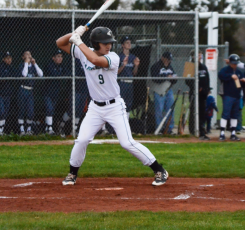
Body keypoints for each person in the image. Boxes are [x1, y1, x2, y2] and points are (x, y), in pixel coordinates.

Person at [56, 25, 168, 186]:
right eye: (105, 42)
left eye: (110, 42)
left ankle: (159, 170)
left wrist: (78, 41)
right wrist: (74, 33)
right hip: (95, 108)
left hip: (114, 107)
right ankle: (72, 174)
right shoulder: (82, 50)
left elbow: (94, 60)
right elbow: (60, 43)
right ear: (95, 43)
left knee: (127, 143)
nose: (109, 45)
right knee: (81, 140)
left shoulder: (113, 57)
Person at [218, 54, 245, 141]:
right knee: (226, 114)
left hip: (237, 96)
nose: (234, 65)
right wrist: (230, 76)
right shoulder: (225, 70)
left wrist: (244, 81)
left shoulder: (239, 72)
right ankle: (222, 133)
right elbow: (221, 75)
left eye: (236, 63)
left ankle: (233, 133)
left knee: (235, 115)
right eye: (233, 63)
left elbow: (244, 84)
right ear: (229, 62)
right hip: (228, 95)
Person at [185, 49, 211, 140]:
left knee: (202, 112)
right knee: (194, 112)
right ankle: (193, 131)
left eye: (200, 55)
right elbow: (187, 81)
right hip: (194, 93)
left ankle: (202, 131)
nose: (200, 57)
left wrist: (207, 89)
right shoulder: (190, 65)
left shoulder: (203, 67)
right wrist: (196, 87)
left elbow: (207, 78)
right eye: (198, 55)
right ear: (193, 56)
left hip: (203, 94)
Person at [44, 50, 71, 137]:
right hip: (48, 92)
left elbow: (68, 73)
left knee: (52, 110)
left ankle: (49, 127)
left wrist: (61, 74)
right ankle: (49, 128)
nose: (60, 58)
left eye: (61, 57)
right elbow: (54, 74)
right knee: (49, 109)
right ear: (53, 58)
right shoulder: (49, 65)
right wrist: (61, 75)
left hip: (56, 92)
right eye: (58, 56)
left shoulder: (62, 66)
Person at [150, 52, 178, 134]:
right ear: (162, 58)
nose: (168, 61)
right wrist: (166, 77)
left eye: (169, 60)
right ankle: (159, 128)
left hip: (168, 90)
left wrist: (173, 78)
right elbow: (155, 79)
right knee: (159, 110)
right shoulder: (156, 66)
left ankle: (169, 129)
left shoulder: (170, 67)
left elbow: (174, 79)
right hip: (159, 90)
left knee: (170, 109)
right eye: (167, 59)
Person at [17, 50, 43, 135]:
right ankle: (22, 130)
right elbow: (24, 75)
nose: (28, 56)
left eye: (29, 54)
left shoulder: (33, 66)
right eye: (26, 54)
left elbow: (41, 74)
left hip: (30, 90)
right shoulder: (21, 65)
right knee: (21, 110)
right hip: (22, 89)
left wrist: (34, 63)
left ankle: (28, 129)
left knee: (30, 111)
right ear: (23, 57)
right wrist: (26, 63)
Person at [117, 36, 140, 119]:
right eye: (127, 43)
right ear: (122, 45)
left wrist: (136, 66)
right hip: (122, 83)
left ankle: (126, 122)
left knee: (128, 104)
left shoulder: (133, 57)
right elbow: (116, 73)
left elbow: (134, 73)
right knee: (120, 103)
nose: (129, 44)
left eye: (130, 42)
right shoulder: (119, 57)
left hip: (130, 83)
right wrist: (123, 65)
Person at [0, 51, 18, 136]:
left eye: (10, 58)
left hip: (8, 94)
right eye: (7, 58)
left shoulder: (11, 67)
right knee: (1, 111)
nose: (9, 60)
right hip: (0, 93)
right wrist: (8, 76)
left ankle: (2, 130)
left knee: (5, 112)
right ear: (3, 59)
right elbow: (3, 78)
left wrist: (9, 76)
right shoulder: (1, 67)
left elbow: (16, 75)